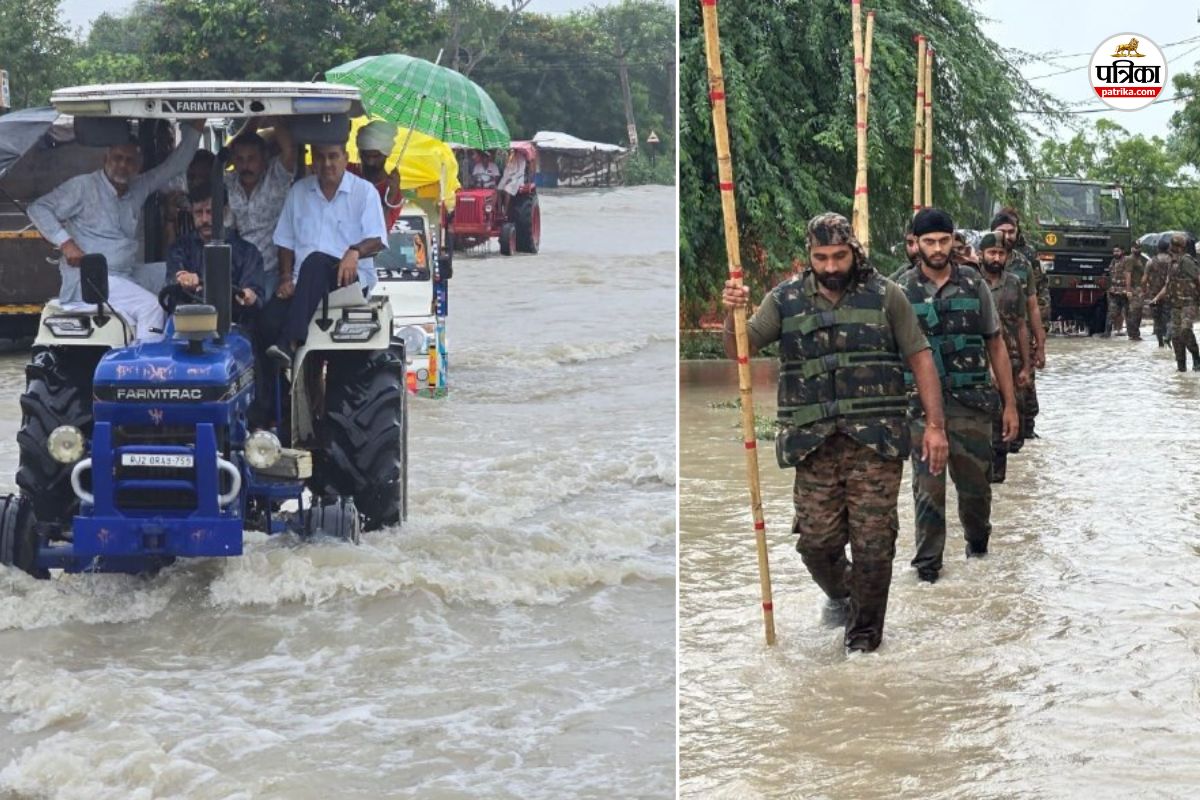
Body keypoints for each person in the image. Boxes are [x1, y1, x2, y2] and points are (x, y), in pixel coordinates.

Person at [721, 212, 949, 654]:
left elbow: (920, 358)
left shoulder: (887, 295)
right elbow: (740, 349)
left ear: (854, 252)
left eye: (839, 256)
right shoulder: (785, 299)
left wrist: (935, 427)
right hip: (814, 445)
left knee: (874, 545)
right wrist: (733, 313)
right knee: (816, 544)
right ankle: (845, 595)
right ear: (809, 256)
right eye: (820, 257)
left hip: (876, 444)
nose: (830, 266)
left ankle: (864, 643)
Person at [893, 208, 1018, 583]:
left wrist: (1010, 405)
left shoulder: (973, 284)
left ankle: (978, 553)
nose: (936, 248)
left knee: (976, 492)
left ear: (952, 240)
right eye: (928, 241)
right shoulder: (899, 290)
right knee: (928, 492)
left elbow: (995, 344)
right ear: (915, 244)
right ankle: (928, 570)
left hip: (972, 405)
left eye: (943, 240)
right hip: (919, 408)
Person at [27, 121, 204, 341]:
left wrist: (197, 124)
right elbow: (38, 208)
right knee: (151, 307)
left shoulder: (138, 187)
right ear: (105, 160)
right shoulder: (83, 186)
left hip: (126, 274)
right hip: (91, 281)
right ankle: (145, 369)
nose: (122, 165)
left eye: (129, 161)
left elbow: (175, 166)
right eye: (117, 158)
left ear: (138, 166)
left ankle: (181, 345)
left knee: (178, 275)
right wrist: (65, 243)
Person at [267, 141, 388, 367]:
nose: (327, 163)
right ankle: (272, 399)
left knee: (316, 261)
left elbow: (378, 239)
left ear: (346, 157)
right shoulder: (298, 192)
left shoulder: (364, 192)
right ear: (313, 160)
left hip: (347, 282)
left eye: (333, 156)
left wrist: (355, 251)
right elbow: (284, 241)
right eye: (320, 157)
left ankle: (291, 341)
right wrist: (284, 278)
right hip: (302, 286)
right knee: (265, 320)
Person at [165, 182, 265, 320]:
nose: (205, 219)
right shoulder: (180, 247)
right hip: (186, 324)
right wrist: (183, 278)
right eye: (199, 213)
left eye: (210, 212)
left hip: (231, 326)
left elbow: (256, 297)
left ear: (224, 212)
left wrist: (250, 296)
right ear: (191, 213)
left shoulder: (248, 252)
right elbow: (172, 278)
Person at [224, 119, 297, 299]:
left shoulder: (276, 178)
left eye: (251, 159)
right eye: (240, 159)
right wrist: (254, 118)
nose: (245, 166)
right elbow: (221, 159)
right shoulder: (229, 181)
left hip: (269, 271)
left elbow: (290, 150)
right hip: (236, 270)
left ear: (264, 158)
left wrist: (273, 112)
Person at [979, 231, 1030, 483]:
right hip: (977, 363)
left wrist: (1026, 366)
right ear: (982, 254)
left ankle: (998, 480)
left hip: (1010, 360)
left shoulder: (1013, 284)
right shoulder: (971, 283)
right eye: (992, 253)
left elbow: (1021, 325)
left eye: (1001, 253)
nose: (996, 258)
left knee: (1007, 425)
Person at [992, 212, 1045, 439]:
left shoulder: (1024, 264)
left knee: (1025, 399)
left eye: (1011, 232)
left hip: (1018, 341)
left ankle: (1023, 439)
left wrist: (1040, 345)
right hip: (990, 342)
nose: (1007, 236)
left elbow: (1033, 307)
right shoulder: (980, 262)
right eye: (1002, 232)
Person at [1150, 233, 1200, 372]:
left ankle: (1196, 357)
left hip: (1189, 303)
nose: (1170, 247)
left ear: (1179, 246)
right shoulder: (1172, 263)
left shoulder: (1187, 261)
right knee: (1176, 337)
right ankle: (1181, 368)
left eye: (1173, 245)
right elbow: (1168, 285)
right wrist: (1156, 298)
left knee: (1185, 330)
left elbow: (1198, 279)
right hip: (1176, 305)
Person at [348, 120, 404, 232]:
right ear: (359, 152)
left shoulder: (394, 193)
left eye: (375, 156)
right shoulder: (345, 171)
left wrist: (389, 199)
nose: (370, 162)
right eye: (365, 155)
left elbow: (381, 233)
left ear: (386, 155)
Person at [1143, 236, 1172, 347]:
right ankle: (1168, 337)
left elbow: (1144, 280)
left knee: (1157, 321)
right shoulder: (1172, 261)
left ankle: (1160, 344)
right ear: (1168, 248)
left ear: (1158, 249)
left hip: (1154, 295)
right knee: (1169, 318)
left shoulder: (1150, 262)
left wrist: (1145, 290)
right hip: (1169, 294)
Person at [1104, 246, 1129, 337]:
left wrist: (1129, 289)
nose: (1115, 253)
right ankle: (1107, 333)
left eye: (1117, 251)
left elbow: (1129, 274)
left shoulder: (1127, 260)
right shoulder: (1113, 261)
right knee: (1111, 312)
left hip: (1124, 291)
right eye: (1114, 251)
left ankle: (1132, 334)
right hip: (1114, 291)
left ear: (1122, 251)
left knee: (1128, 313)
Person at [1124, 243, 1146, 340]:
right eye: (1136, 247)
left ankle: (1134, 334)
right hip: (1133, 288)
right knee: (1134, 312)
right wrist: (1128, 290)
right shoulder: (1130, 259)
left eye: (1139, 247)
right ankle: (1133, 334)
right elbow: (1128, 274)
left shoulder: (1139, 259)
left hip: (1139, 288)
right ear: (1132, 248)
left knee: (1138, 312)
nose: (1138, 249)